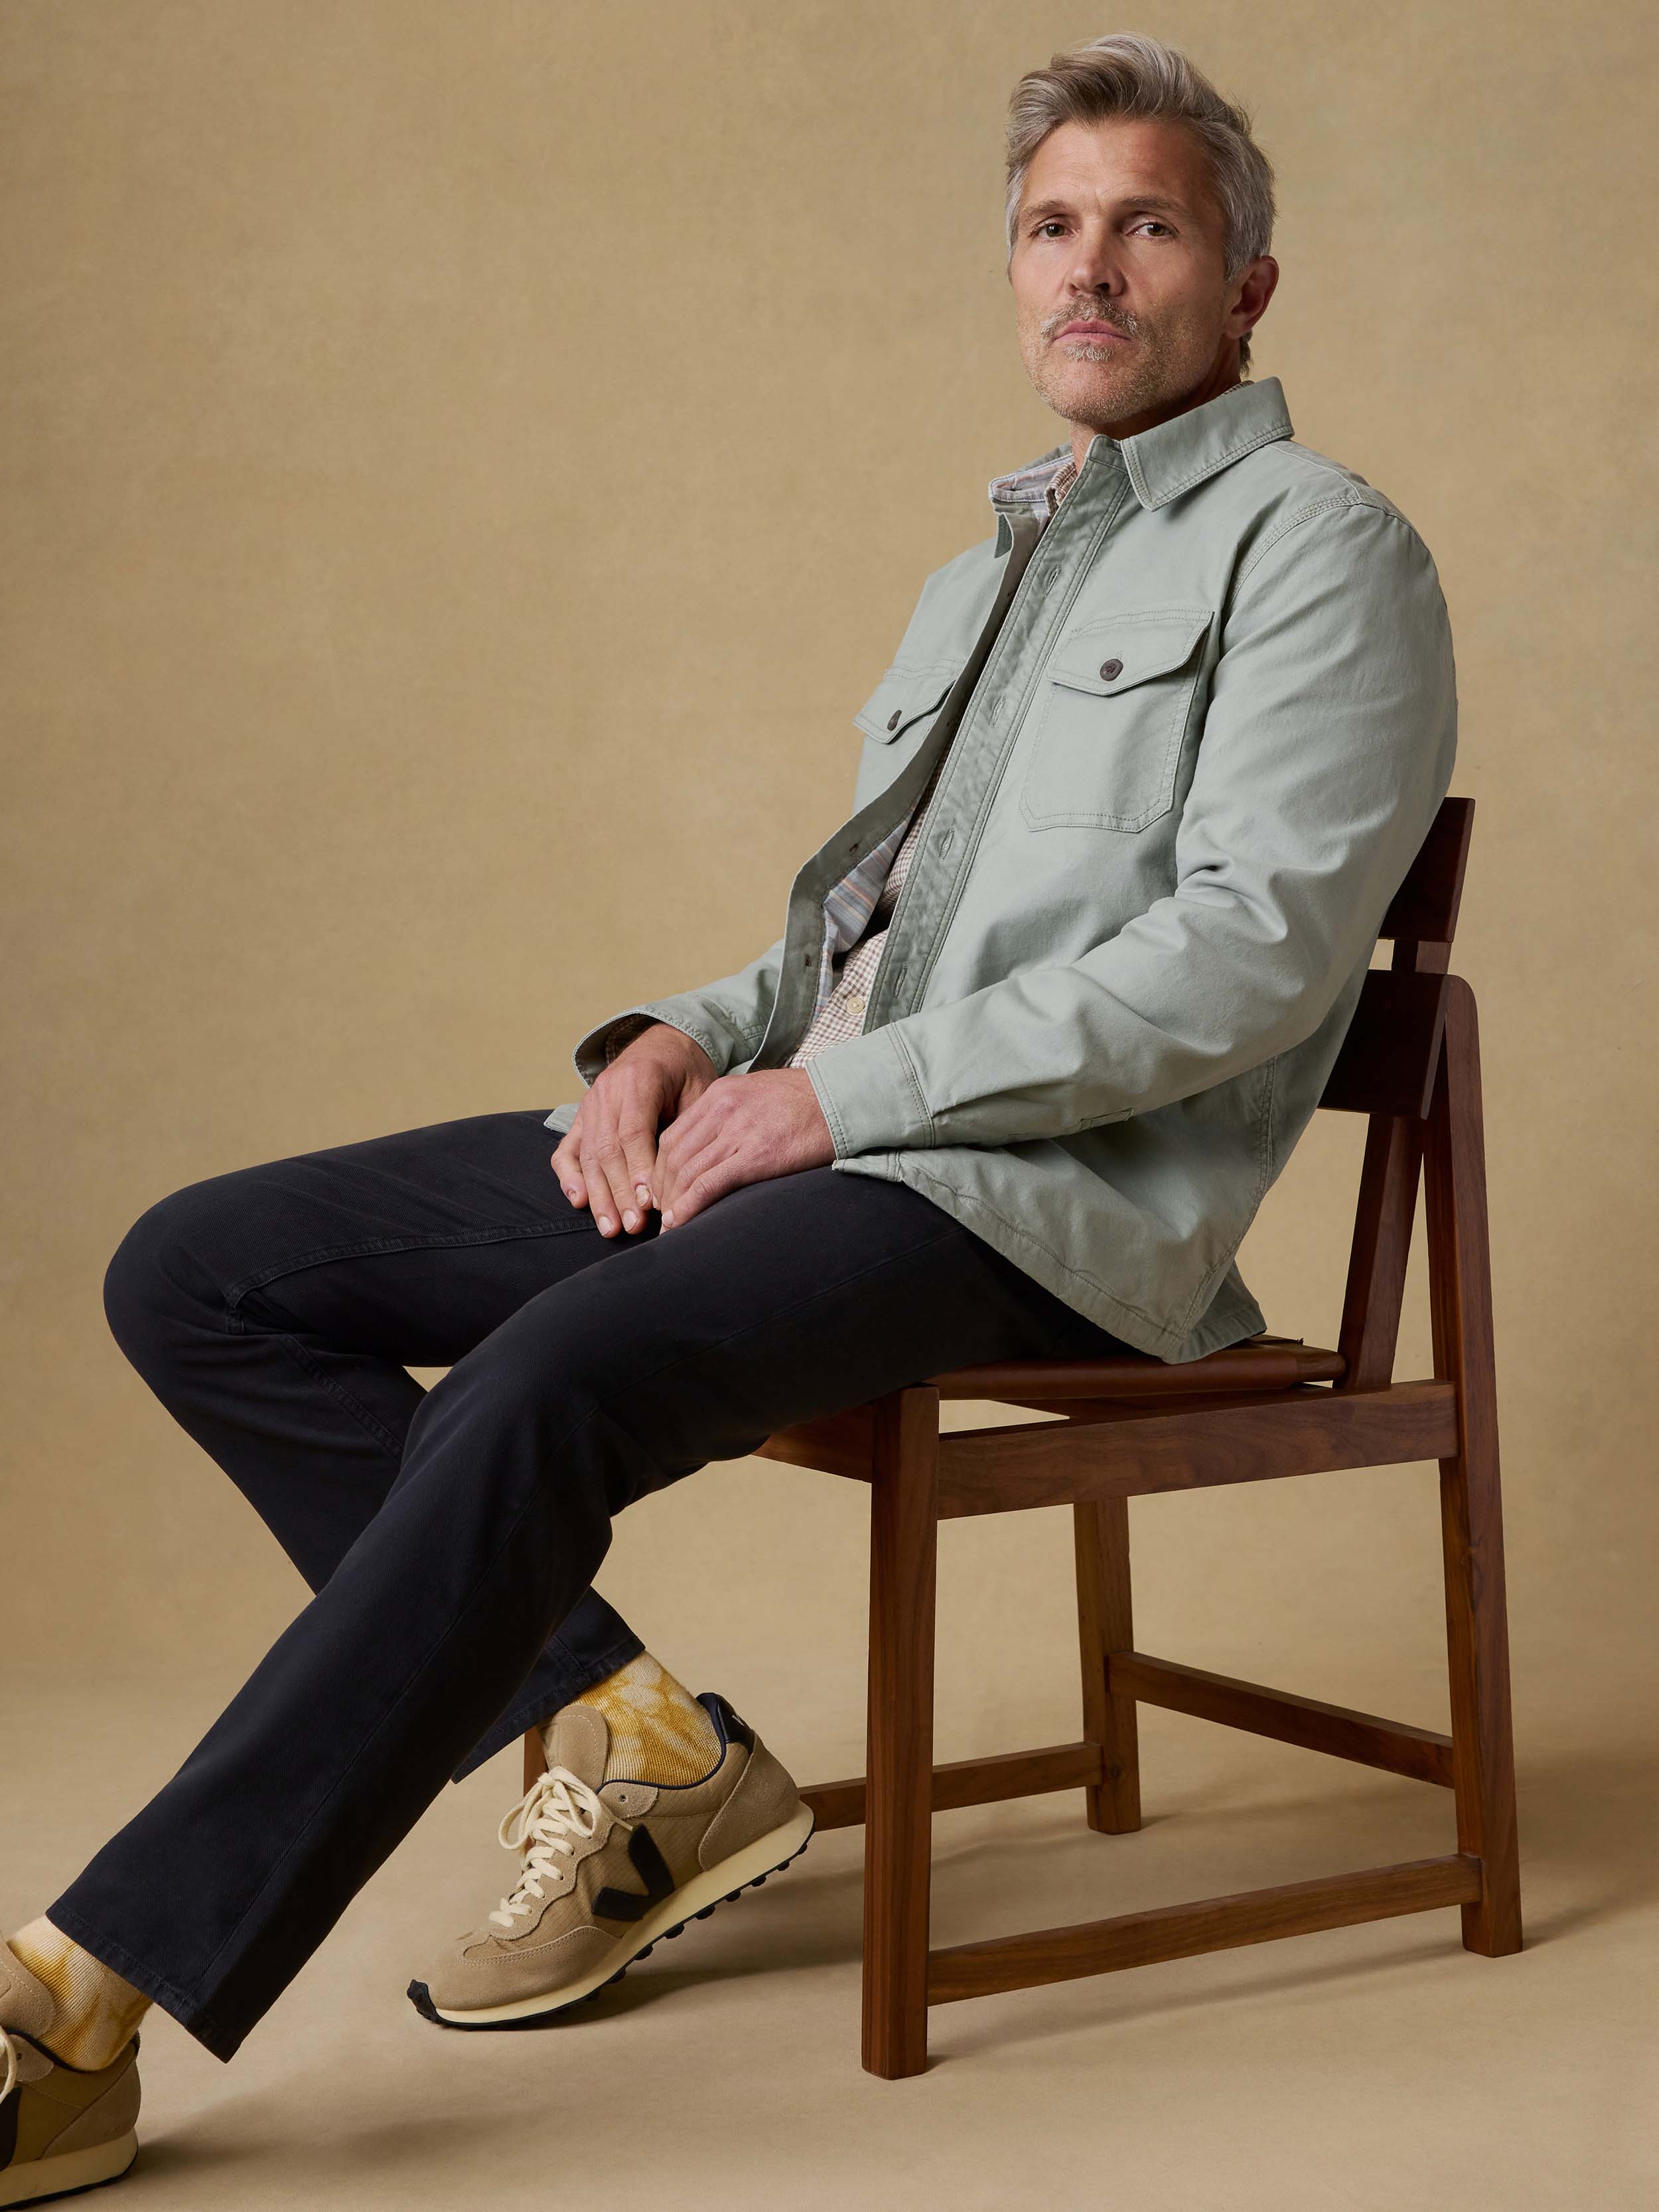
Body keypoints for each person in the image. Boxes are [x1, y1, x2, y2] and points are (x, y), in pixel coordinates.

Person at [0, 29, 1457, 2202]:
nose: (1089, 269)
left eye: (1147, 225)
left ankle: (82, 1999)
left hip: (1037, 1207)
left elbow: (1249, 959)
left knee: (544, 1372)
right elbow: (839, 939)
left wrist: (828, 1097)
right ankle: (632, 1747)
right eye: (1052, 228)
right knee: (199, 1267)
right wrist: (671, 1048)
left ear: (1244, 283)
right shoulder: (981, 577)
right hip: (822, 1140)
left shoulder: (1320, 546)